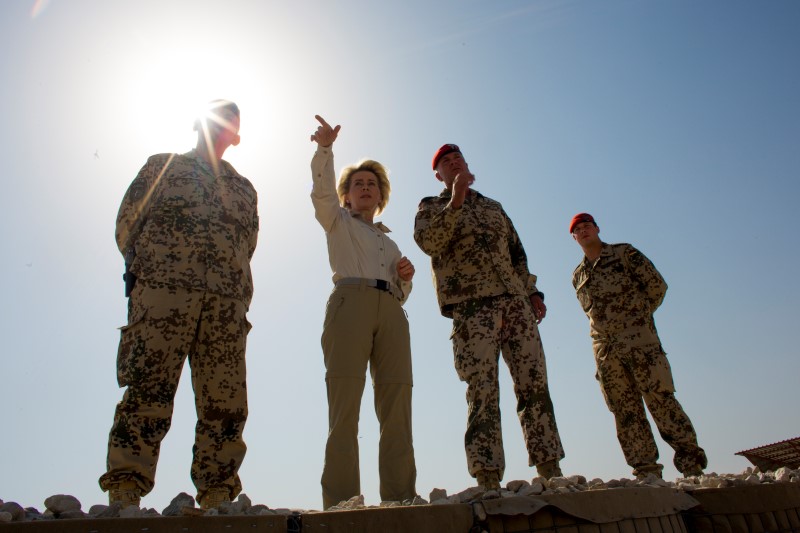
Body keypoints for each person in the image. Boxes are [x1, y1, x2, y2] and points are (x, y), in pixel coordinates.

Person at [99, 100, 259, 510]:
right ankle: (126, 487)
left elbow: (248, 246)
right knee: (147, 390)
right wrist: (147, 276)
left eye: (230, 123)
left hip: (224, 307)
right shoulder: (162, 166)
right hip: (162, 299)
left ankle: (218, 492)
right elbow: (127, 225)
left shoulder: (244, 189)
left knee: (225, 405)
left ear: (236, 137)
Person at [413, 144, 565, 491]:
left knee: (534, 385)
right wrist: (456, 199)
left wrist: (532, 293)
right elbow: (430, 242)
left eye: (458, 159)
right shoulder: (431, 207)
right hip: (472, 308)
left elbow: (517, 254)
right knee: (482, 390)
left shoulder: (494, 207)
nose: (454, 163)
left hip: (515, 304)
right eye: (445, 163)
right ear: (438, 175)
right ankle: (487, 475)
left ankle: (549, 468)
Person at [310, 115, 417, 509]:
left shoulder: (389, 244)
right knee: (345, 404)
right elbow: (321, 192)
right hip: (349, 304)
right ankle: (341, 501)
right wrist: (325, 149)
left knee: (397, 403)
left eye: (372, 184)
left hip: (391, 312)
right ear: (348, 196)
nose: (366, 188)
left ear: (381, 194)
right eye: (359, 184)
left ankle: (401, 496)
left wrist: (405, 278)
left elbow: (403, 293)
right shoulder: (336, 221)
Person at [569, 212, 707, 479]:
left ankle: (692, 465)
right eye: (578, 229)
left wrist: (639, 319)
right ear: (573, 238)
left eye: (588, 226)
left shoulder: (624, 254)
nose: (584, 231)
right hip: (607, 353)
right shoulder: (578, 276)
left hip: (640, 344)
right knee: (625, 411)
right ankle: (646, 471)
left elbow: (657, 286)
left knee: (661, 401)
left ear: (598, 229)